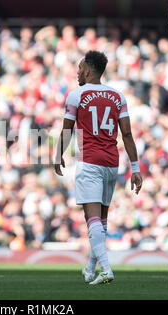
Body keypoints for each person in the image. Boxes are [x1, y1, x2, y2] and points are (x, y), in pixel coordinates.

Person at [54, 51, 143, 284]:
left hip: (89, 162)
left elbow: (67, 130)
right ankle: (90, 267)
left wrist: (58, 154)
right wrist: (135, 168)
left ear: (88, 70)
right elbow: (127, 134)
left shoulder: (75, 96)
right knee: (101, 221)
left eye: (80, 67)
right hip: (111, 163)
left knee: (91, 217)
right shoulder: (117, 96)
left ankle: (106, 269)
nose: (77, 71)